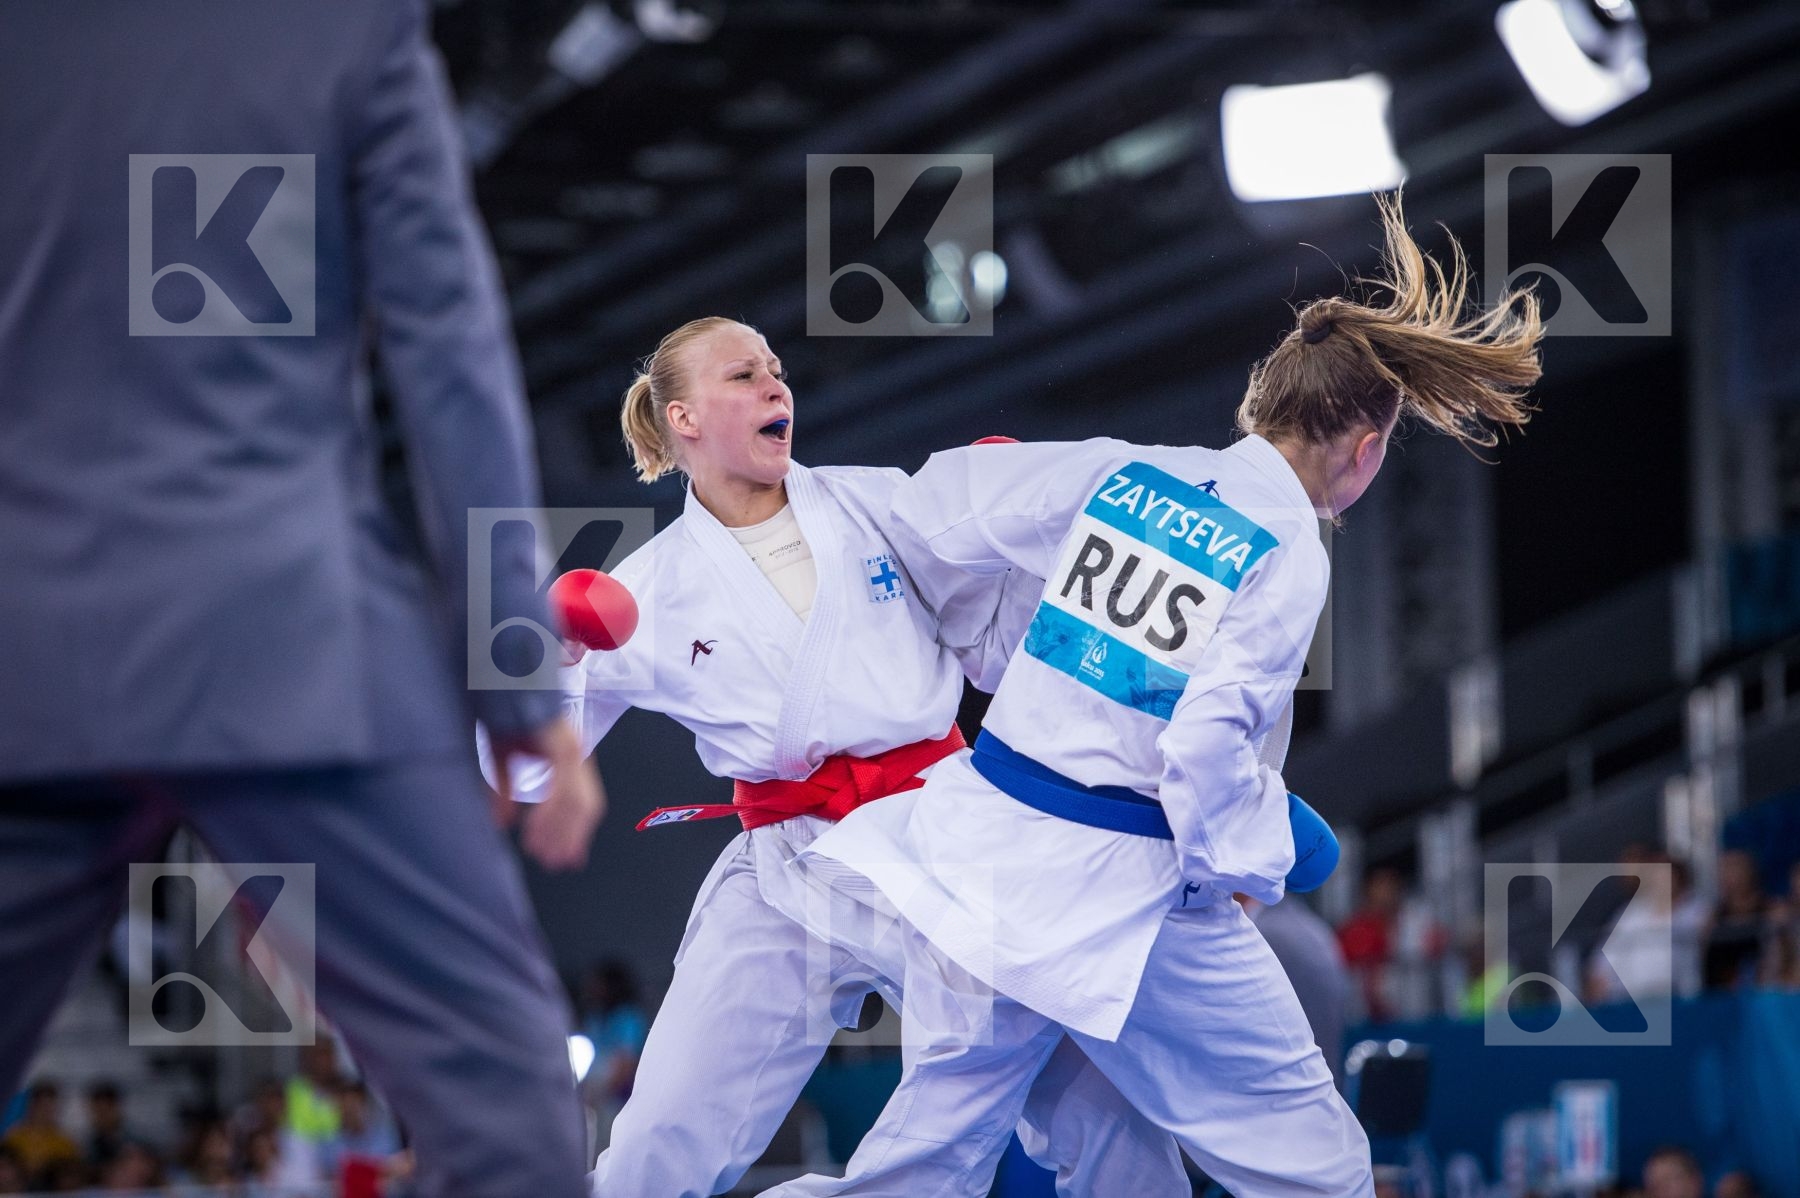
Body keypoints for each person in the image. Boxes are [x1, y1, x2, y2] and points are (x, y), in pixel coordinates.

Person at [768, 193, 1543, 1197]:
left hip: (988, 849)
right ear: (1367, 449)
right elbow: (1204, 751)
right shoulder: (1286, 550)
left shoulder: (1123, 474)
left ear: (1255, 411)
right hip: (1129, 891)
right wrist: (1265, 853)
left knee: (944, 1165)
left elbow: (938, 507)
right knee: (1320, 1167)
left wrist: (979, 645)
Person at [0, 4, 601, 1195]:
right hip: (287, 644)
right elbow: (450, 359)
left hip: (26, 663)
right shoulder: (347, 29)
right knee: (512, 1131)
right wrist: (515, 671)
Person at [493, 317, 1188, 1197]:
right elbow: (522, 775)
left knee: (1094, 1102)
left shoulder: (876, 503)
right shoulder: (644, 591)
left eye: (777, 370)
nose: (776, 386)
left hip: (940, 835)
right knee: (654, 1144)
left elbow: (997, 627)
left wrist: (1018, 521)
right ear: (684, 421)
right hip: (785, 868)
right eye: (744, 375)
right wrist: (557, 661)